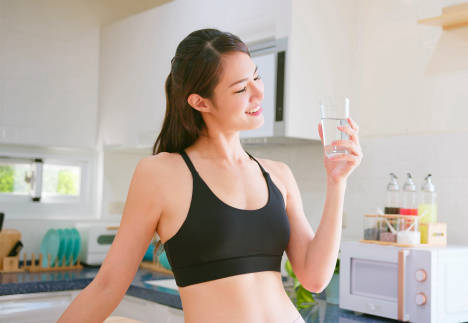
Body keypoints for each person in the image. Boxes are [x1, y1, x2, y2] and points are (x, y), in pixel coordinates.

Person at [58, 28, 362, 323]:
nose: (258, 92)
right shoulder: (161, 174)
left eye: (257, 76)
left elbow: (315, 277)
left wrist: (337, 182)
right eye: (242, 88)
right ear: (200, 102)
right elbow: (108, 285)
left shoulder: (278, 174)